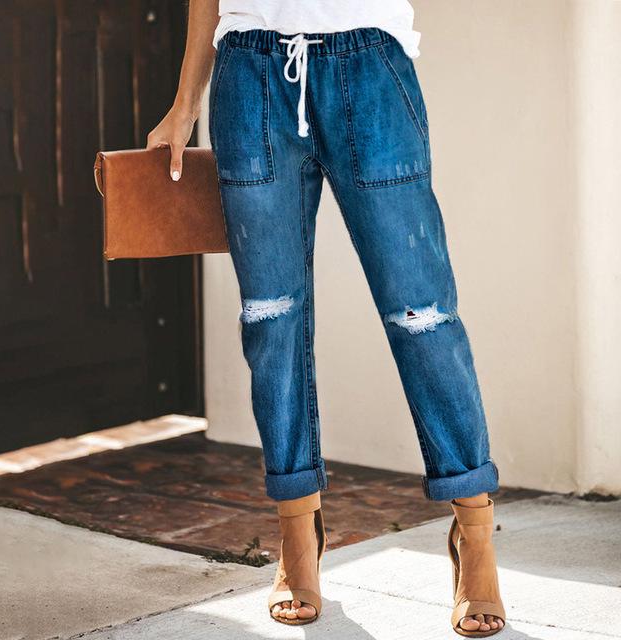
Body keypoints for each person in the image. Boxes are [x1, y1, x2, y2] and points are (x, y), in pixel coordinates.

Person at [148, 1, 505, 635]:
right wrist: (185, 103)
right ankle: (298, 533)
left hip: (369, 68)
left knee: (423, 315)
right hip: (251, 74)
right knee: (271, 317)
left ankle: (474, 535)